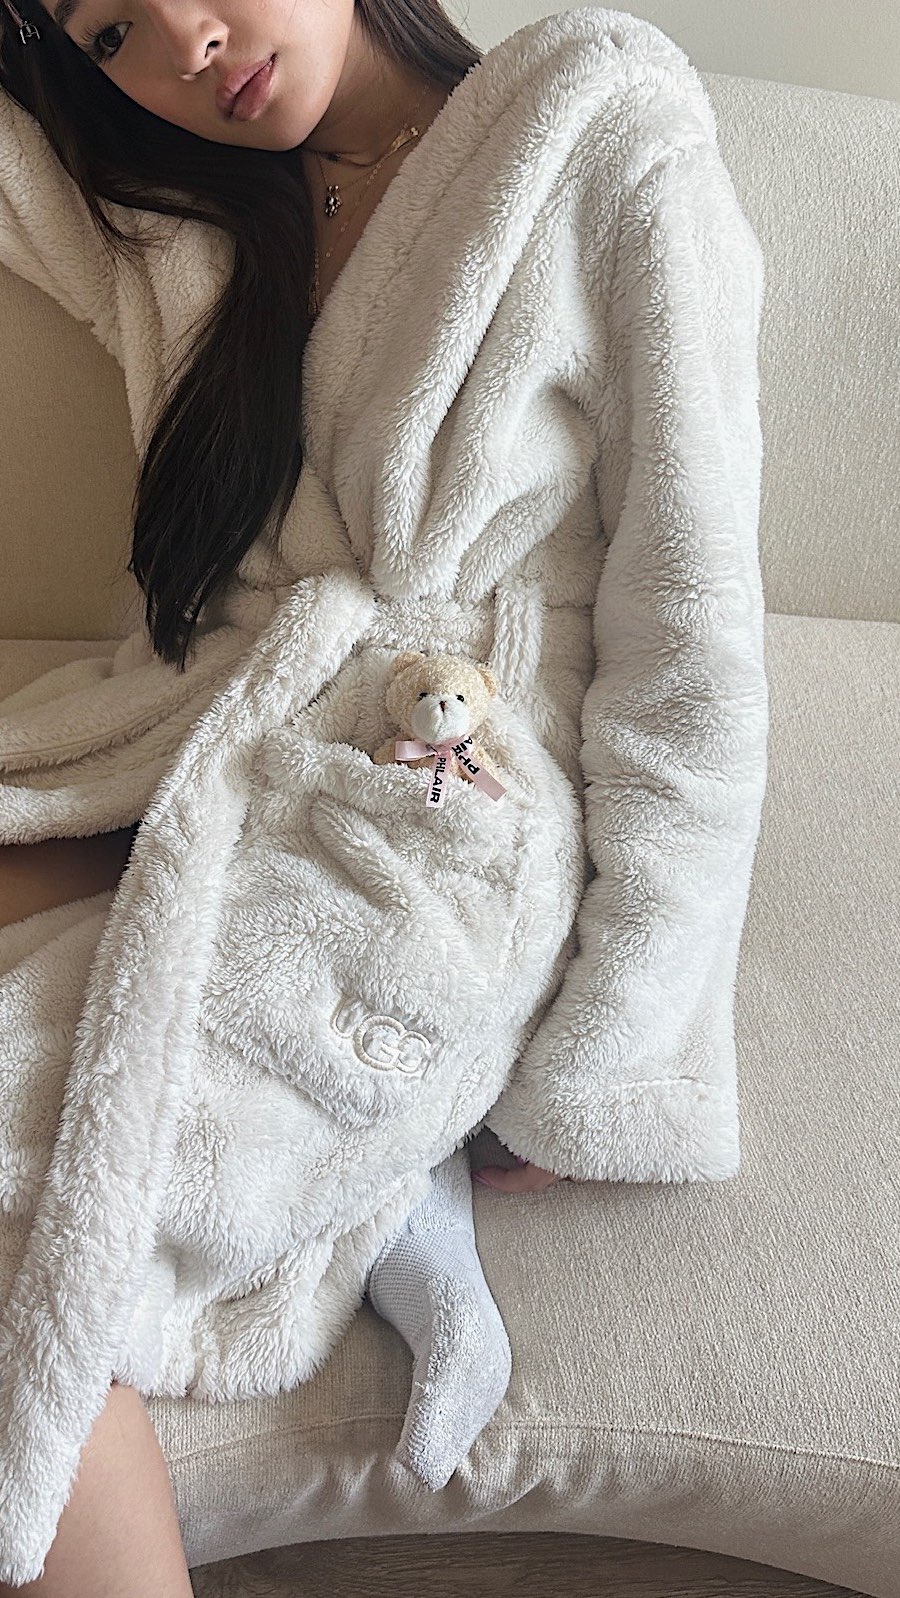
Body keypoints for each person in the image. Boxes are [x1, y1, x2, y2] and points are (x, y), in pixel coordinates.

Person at [0, 0, 768, 1588]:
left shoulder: (600, 126)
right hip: (201, 753)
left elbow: (690, 628)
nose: (182, 44)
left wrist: (613, 1042)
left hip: (428, 828)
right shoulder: (186, 211)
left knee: (26, 1234)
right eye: (110, 29)